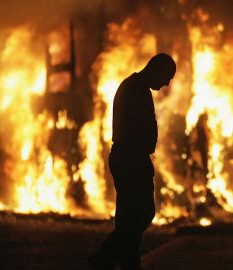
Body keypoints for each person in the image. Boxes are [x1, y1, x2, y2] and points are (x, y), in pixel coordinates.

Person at [88, 53, 176, 270]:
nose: (166, 84)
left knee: (133, 216)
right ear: (156, 70)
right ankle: (107, 258)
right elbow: (133, 129)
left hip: (132, 158)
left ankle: (119, 261)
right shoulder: (134, 90)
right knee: (138, 214)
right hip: (130, 159)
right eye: (166, 77)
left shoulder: (136, 88)